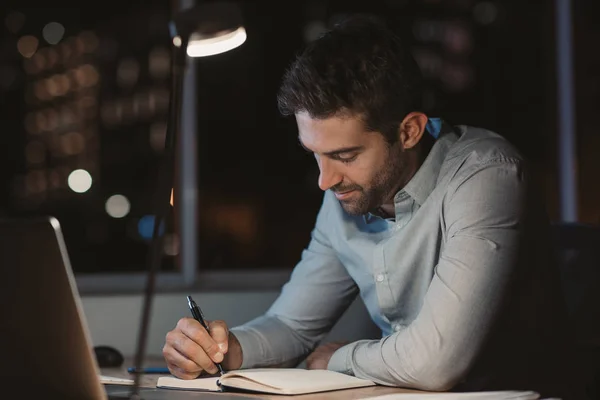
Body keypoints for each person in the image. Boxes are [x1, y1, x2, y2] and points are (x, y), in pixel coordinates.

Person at [162, 14, 582, 398]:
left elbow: (435, 363)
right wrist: (221, 348)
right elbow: (291, 325)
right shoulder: (346, 191)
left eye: (345, 156)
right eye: (314, 154)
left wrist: (340, 358)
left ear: (409, 131)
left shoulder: (486, 175)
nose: (325, 180)